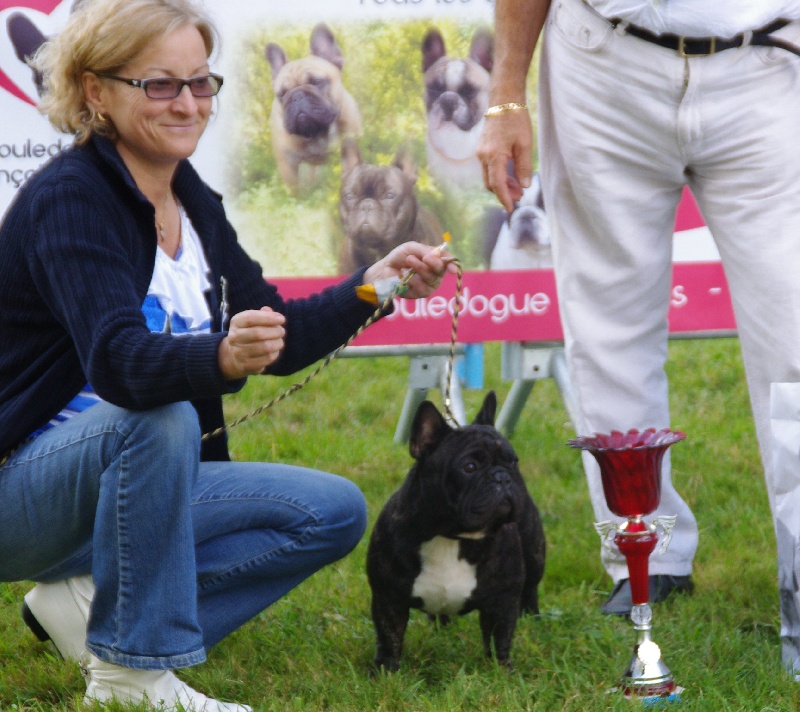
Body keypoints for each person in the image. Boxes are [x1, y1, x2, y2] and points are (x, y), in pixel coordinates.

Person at [0, 0, 454, 709]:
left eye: (201, 82)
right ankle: (132, 675)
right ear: (96, 92)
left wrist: (376, 284)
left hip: (131, 492)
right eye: (160, 84)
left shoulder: (191, 198)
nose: (187, 104)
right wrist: (218, 356)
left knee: (332, 510)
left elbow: (277, 334)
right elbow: (118, 364)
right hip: (20, 493)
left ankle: (94, 614)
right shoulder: (72, 200)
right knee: (157, 420)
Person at [477, 0, 800, 676]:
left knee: (794, 341)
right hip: (605, 61)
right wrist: (505, 94)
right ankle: (647, 557)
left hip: (766, 63)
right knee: (608, 330)